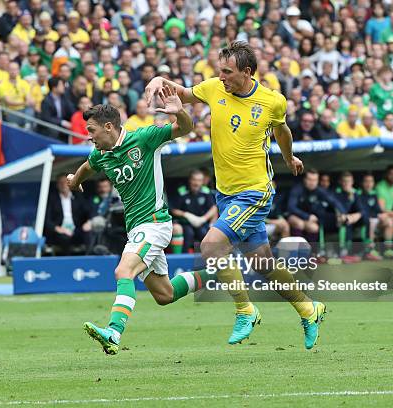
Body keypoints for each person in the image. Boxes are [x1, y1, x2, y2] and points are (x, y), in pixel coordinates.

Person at [145, 41, 326, 349]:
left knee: (211, 245)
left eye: (228, 72)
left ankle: (245, 309)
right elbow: (182, 93)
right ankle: (309, 309)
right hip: (225, 193)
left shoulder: (272, 101)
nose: (222, 76)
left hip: (254, 191)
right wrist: (157, 81)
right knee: (263, 264)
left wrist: (288, 156)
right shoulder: (215, 87)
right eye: (220, 70)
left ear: (246, 72)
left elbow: (282, 130)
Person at [67, 89, 200, 354]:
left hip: (154, 222)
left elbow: (185, 128)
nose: (89, 136)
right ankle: (221, 273)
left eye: (92, 130)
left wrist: (179, 111)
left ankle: (114, 332)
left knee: (123, 272)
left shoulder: (145, 138)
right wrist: (75, 182)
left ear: (108, 127)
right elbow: (86, 167)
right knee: (165, 295)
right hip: (136, 228)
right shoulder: (101, 154)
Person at [170, 169, 217, 253]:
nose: (196, 183)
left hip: (201, 222)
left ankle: (206, 258)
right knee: (188, 233)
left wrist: (204, 219)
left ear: (202, 182)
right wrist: (186, 215)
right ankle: (183, 258)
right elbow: (174, 209)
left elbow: (213, 208)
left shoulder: (206, 191)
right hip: (185, 222)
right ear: (190, 180)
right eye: (194, 180)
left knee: (205, 233)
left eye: (199, 180)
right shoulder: (182, 191)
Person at [44, 174, 92, 256]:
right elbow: (47, 220)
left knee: (89, 234)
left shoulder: (78, 196)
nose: (63, 185)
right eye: (60, 183)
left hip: (76, 229)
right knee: (64, 238)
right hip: (60, 231)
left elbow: (89, 211)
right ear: (57, 185)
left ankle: (89, 260)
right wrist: (58, 229)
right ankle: (69, 264)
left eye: (65, 182)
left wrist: (89, 222)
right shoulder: (51, 199)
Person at [358, 173, 393, 260]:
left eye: (371, 181)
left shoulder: (374, 194)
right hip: (363, 221)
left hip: (375, 220)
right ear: (362, 183)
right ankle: (370, 250)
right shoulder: (358, 194)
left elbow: (377, 210)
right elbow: (363, 211)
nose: (368, 184)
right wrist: (376, 215)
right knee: (371, 221)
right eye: (366, 181)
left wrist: (381, 215)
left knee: (389, 221)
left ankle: (388, 250)